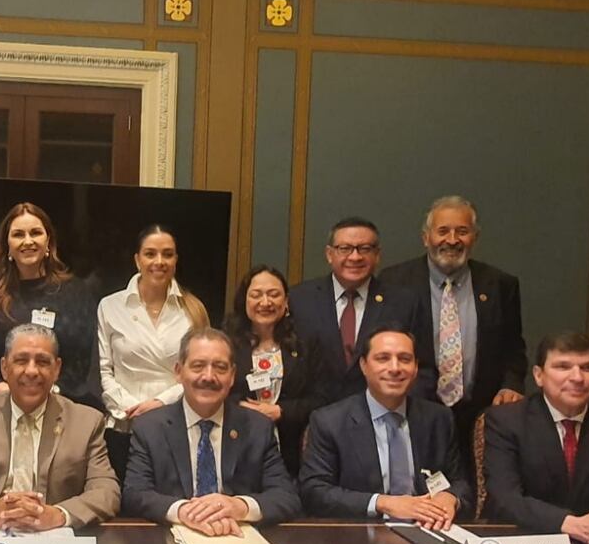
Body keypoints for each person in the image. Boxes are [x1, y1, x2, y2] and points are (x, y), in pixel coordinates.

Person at [381, 196, 526, 478]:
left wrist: (512, 385)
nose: (452, 239)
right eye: (443, 231)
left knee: (477, 495)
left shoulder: (500, 285)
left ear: (475, 237)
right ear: (426, 237)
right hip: (415, 410)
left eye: (462, 231)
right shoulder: (394, 282)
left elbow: (513, 349)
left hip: (481, 414)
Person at [0, 324, 119, 530]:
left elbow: (107, 491)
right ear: (4, 368)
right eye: (21, 360)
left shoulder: (86, 422)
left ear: (57, 369)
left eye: (42, 362)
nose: (31, 371)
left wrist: (57, 515)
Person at [122, 328, 301, 534]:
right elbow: (135, 494)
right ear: (178, 372)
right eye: (198, 366)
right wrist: (185, 511)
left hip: (240, 538)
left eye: (220, 367)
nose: (208, 376)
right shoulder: (149, 427)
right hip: (172, 542)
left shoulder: (257, 427)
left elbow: (286, 496)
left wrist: (239, 507)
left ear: (232, 376)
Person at [299, 326, 471, 528]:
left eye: (405, 359)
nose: (395, 368)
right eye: (383, 358)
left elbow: (461, 482)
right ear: (364, 365)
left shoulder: (438, 419)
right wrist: (383, 503)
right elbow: (314, 492)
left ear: (415, 368)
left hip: (429, 530)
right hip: (361, 536)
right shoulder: (330, 421)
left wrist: (450, 497)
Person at [0, 202, 100, 410]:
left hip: (61, 408)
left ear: (48, 241)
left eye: (35, 233)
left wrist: (52, 392)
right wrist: (3, 389)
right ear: (7, 245)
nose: (28, 241)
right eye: (18, 234)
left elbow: (86, 359)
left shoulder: (76, 293)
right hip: (0, 407)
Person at [97, 225, 209, 482]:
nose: (159, 261)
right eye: (150, 254)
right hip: (123, 424)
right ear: (137, 259)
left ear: (176, 260)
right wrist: (128, 408)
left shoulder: (193, 309)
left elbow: (201, 370)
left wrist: (159, 405)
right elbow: (104, 368)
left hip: (176, 422)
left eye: (167, 254)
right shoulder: (110, 306)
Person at [288, 218, 435, 403]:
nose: (355, 257)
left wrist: (398, 411)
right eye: (345, 249)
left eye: (365, 249)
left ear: (377, 255)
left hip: (384, 418)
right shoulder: (300, 299)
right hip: (311, 418)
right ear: (329, 254)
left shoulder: (404, 302)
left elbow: (424, 371)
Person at [484, 332, 589, 544]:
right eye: (563, 367)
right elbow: (504, 498)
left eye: (587, 368)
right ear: (539, 375)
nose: (577, 377)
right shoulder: (507, 421)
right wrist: (568, 523)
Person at [224, 265, 326, 477]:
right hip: (238, 442)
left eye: (274, 294)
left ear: (286, 301)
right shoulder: (227, 342)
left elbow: (321, 397)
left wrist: (281, 411)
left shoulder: (305, 342)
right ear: (245, 300)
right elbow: (213, 388)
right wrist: (242, 409)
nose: (265, 302)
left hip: (292, 447)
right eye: (256, 295)